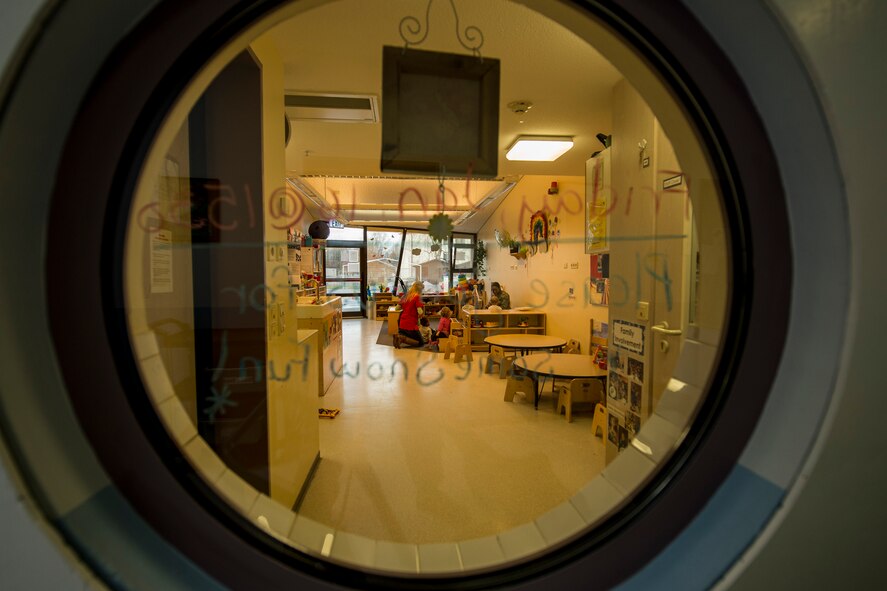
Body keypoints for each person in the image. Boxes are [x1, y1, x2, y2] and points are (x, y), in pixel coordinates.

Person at [393, 281, 424, 348]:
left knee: (407, 335)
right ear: (420, 289)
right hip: (411, 324)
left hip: (402, 323)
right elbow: (420, 312)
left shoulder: (405, 295)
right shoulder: (417, 297)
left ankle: (399, 337)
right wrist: (421, 315)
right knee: (421, 343)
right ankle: (401, 338)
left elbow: (397, 308)